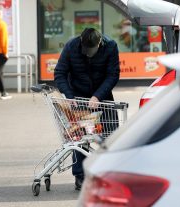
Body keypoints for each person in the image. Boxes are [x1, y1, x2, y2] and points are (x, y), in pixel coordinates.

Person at [54, 28, 120, 190]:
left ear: (100, 43)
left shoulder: (110, 46)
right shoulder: (71, 46)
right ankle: (80, 176)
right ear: (81, 42)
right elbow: (60, 73)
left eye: (92, 51)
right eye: (85, 50)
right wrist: (69, 95)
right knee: (79, 138)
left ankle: (110, 173)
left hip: (102, 97)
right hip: (78, 97)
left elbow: (113, 74)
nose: (88, 54)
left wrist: (98, 96)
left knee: (110, 137)